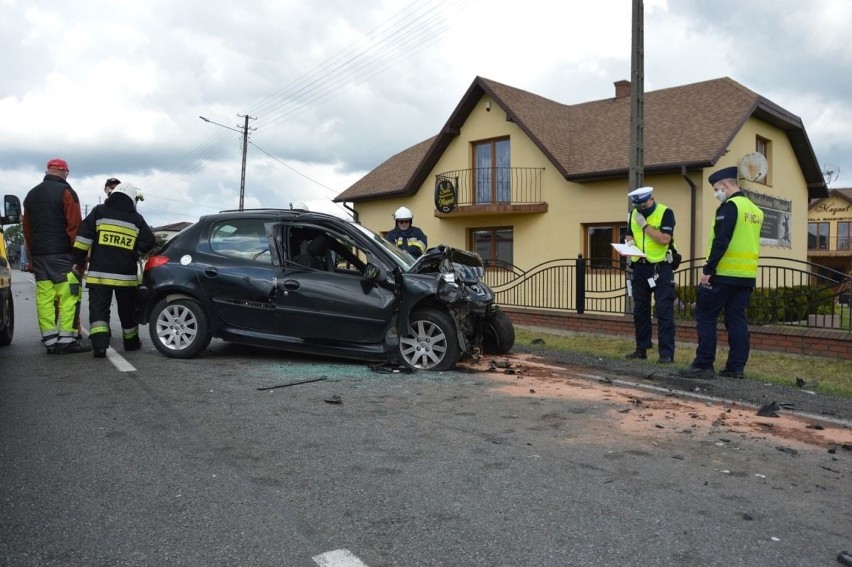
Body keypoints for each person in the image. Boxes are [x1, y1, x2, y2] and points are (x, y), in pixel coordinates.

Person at [680, 166, 764, 379]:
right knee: (736, 319)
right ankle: (736, 367)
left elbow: (722, 240)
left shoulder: (730, 207)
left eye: (717, 189)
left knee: (706, 315)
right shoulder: (755, 210)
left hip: (723, 273)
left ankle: (704, 364)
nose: (716, 193)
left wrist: (709, 269)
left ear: (726, 186)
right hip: (745, 277)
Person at [72, 182, 155, 358]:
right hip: (126, 276)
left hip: (99, 275)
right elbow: (149, 241)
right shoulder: (136, 219)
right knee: (127, 310)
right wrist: (134, 250)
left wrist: (78, 261)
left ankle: (100, 346)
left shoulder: (99, 212)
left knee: (99, 309)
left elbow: (83, 238)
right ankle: (131, 343)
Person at [22, 158, 90, 354]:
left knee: (45, 297)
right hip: (63, 255)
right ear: (64, 172)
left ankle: (50, 340)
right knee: (69, 296)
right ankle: (67, 340)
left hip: (40, 255)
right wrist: (79, 257)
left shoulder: (31, 195)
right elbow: (75, 226)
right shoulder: (67, 192)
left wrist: (31, 255)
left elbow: (26, 229)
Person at [623, 187, 677, 364]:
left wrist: (644, 225)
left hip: (661, 267)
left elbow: (664, 239)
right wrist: (629, 242)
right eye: (638, 206)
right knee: (641, 311)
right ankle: (641, 349)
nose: (641, 208)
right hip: (640, 267)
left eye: (644, 204)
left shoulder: (665, 212)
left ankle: (666, 354)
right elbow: (629, 233)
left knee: (664, 311)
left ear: (652, 199)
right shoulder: (633, 214)